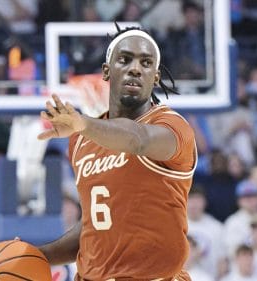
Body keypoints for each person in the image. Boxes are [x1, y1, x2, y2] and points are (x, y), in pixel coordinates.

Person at [36, 25, 197, 280]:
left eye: (146, 63)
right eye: (125, 59)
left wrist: (83, 123)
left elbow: (138, 139)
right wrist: (36, 257)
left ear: (155, 76)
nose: (135, 68)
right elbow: (95, 224)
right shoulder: (80, 140)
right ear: (106, 71)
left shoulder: (172, 127)